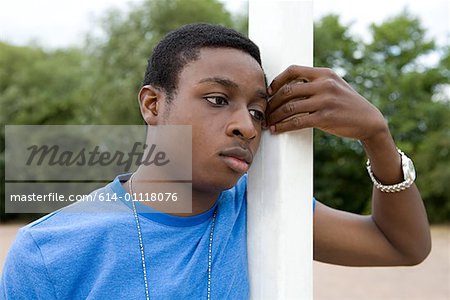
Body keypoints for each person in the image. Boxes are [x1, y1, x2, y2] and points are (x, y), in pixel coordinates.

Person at [0, 23, 431, 299]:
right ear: (153, 104)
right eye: (217, 99)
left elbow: (402, 246)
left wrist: (377, 137)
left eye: (258, 111)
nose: (246, 126)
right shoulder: (48, 251)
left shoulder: (260, 208)